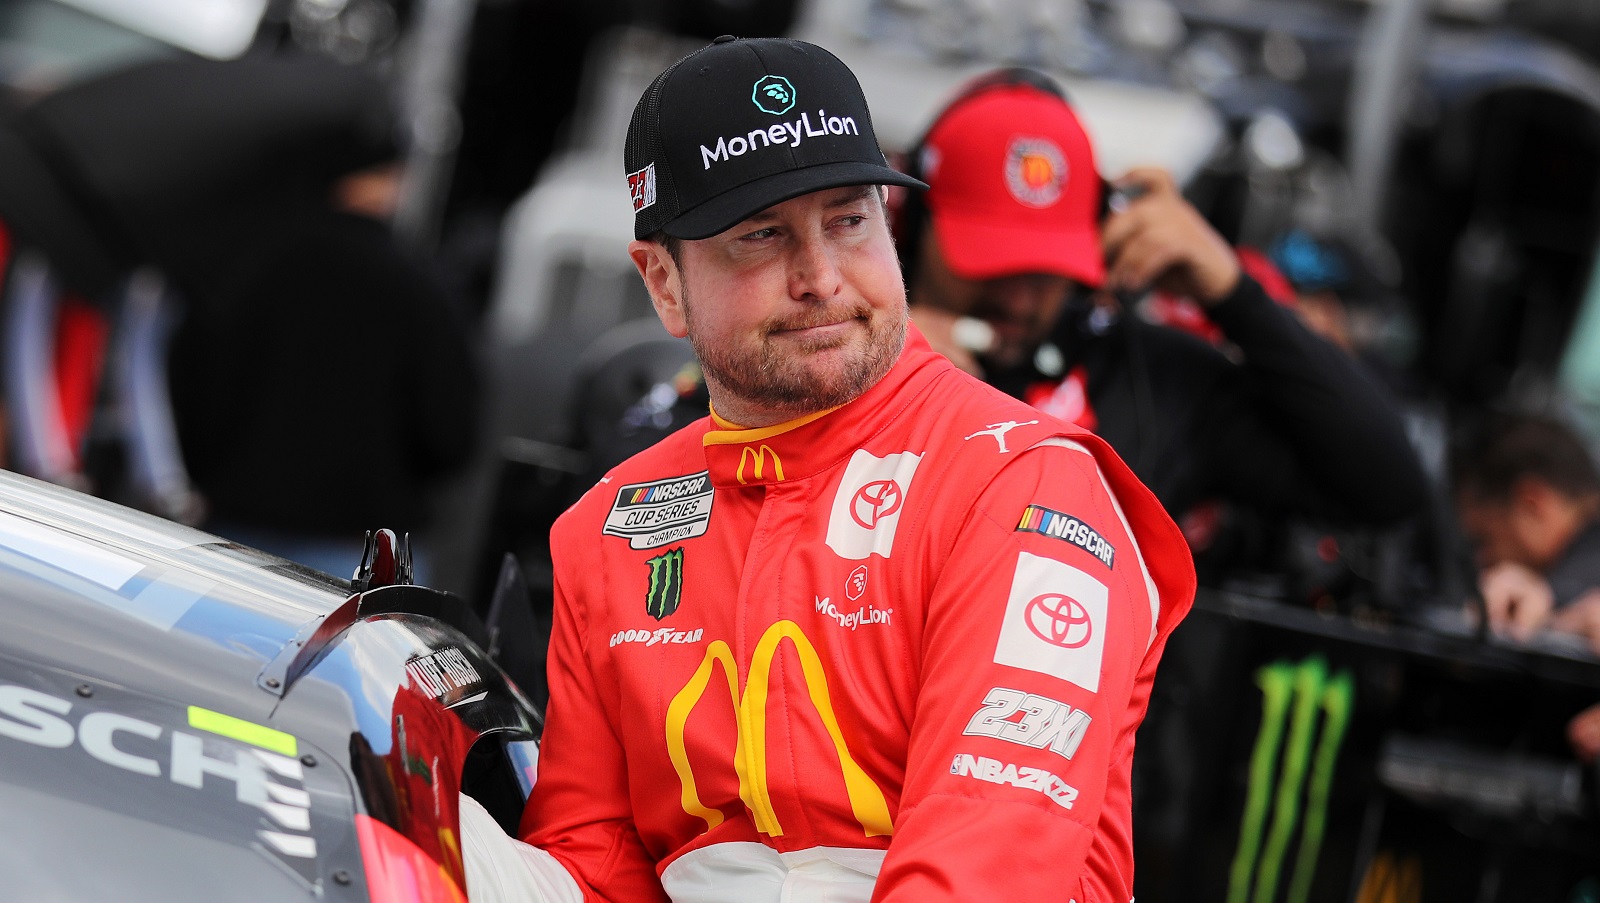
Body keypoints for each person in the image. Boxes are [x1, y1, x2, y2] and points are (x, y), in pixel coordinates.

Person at [460, 36, 1195, 902]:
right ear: (662, 282)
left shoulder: (1024, 483)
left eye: (849, 220)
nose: (820, 277)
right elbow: (593, 865)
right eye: (761, 236)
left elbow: (983, 869)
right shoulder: (610, 524)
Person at [897, 69, 1426, 536]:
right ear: (912, 226)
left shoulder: (1145, 377)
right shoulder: (841, 355)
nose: (1016, 297)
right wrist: (881, 360)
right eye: (989, 260)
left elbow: (1388, 489)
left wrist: (1235, 294)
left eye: (1044, 270)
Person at [1452, 411, 1600, 650]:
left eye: (1484, 540)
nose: (1483, 559)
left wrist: (1550, 616)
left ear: (1531, 504)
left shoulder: (1578, 580)